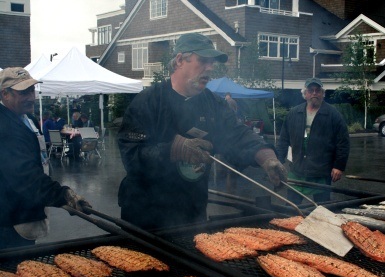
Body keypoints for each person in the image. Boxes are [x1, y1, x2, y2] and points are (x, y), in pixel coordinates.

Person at [118, 33, 286, 230]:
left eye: (212, 62)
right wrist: (175, 149)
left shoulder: (213, 104)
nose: (210, 68)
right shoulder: (148, 102)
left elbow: (238, 134)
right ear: (180, 60)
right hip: (145, 213)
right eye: (203, 61)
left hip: (191, 212)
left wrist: (265, 156)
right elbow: (131, 154)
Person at [0, 67, 90, 249]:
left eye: (32, 90)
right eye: (23, 92)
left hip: (27, 209)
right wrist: (62, 194)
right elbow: (24, 178)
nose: (31, 97)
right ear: (5, 94)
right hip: (10, 218)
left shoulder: (28, 119)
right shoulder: (4, 127)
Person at [276, 77, 350, 205]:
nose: (314, 93)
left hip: (321, 172)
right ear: (305, 94)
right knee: (291, 209)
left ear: (323, 94)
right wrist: (278, 161)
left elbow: (343, 142)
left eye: (318, 90)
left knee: (322, 209)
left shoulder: (333, 114)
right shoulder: (294, 113)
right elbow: (283, 139)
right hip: (297, 169)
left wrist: (339, 166)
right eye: (311, 90)